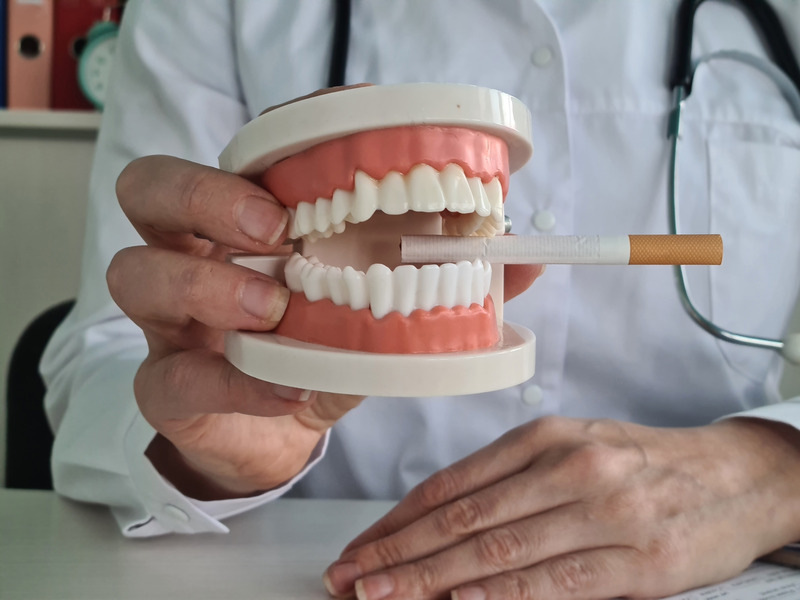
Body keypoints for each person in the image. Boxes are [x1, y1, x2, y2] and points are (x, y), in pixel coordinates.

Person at [41, 1, 800, 599]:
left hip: (719, 574)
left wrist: (770, 473)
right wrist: (205, 450)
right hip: (304, 572)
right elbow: (107, 347)